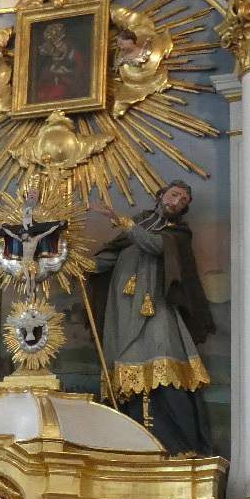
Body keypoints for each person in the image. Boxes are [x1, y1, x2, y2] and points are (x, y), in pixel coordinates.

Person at [87, 181, 214, 453]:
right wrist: (72, 261)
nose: (177, 202)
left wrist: (120, 218)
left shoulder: (176, 234)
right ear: (160, 195)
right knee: (126, 373)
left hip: (156, 307)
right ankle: (131, 446)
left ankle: (179, 447)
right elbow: (105, 261)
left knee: (165, 363)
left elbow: (155, 245)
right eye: (174, 194)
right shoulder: (137, 227)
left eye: (183, 201)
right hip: (123, 313)